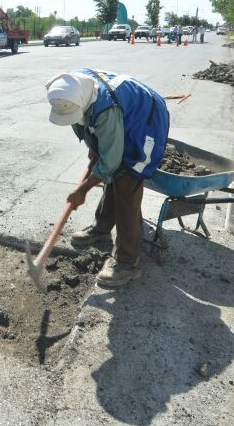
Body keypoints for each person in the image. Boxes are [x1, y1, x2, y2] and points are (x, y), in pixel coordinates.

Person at [45, 69, 169, 287]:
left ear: (82, 103)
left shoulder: (105, 109)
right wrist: (95, 149)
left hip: (145, 121)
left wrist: (82, 190)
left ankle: (127, 262)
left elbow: (110, 162)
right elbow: (83, 125)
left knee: (126, 182)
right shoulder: (72, 89)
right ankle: (101, 230)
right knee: (110, 175)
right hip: (123, 115)